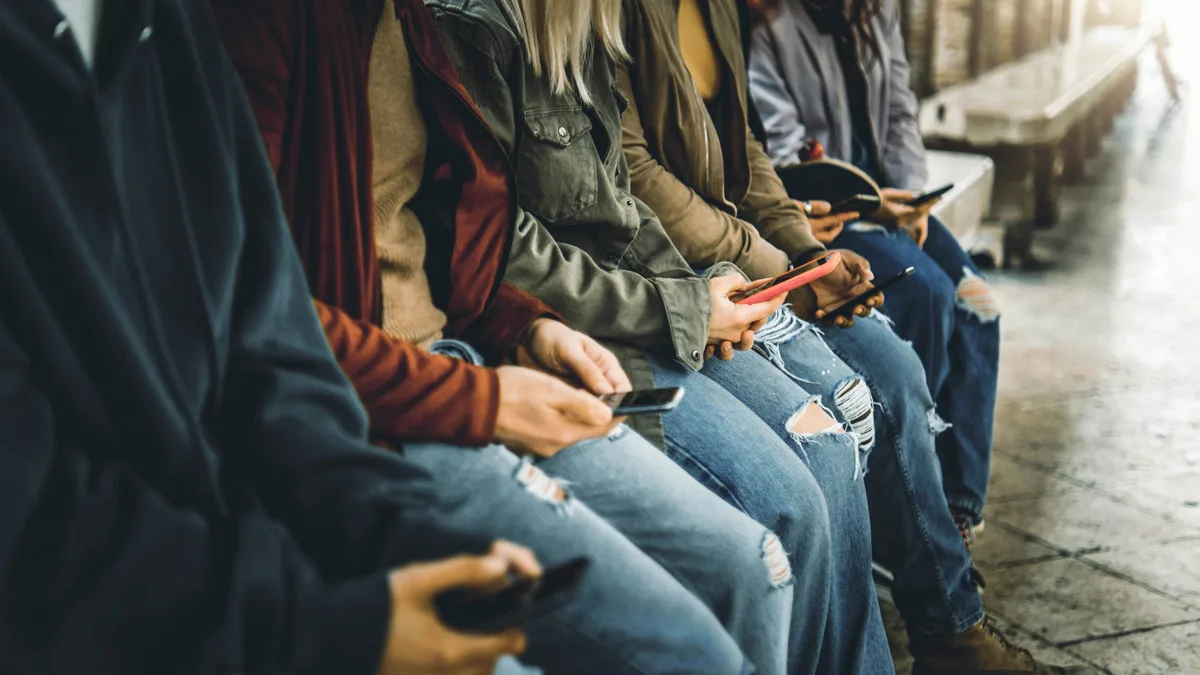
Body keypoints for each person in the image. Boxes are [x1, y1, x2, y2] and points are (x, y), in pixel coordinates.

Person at [209, 0, 799, 672]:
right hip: (385, 412)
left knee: (755, 564)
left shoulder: (412, 22)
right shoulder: (278, 23)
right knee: (699, 644)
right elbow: (252, 312)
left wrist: (524, 326)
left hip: (483, 361)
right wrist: (486, 395)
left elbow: (452, 230)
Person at [0, 1, 535, 673]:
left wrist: (395, 529)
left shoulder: (167, 23)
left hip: (277, 549)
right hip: (157, 616)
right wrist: (319, 623)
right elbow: (28, 533)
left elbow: (265, 331)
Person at [425, 0, 896, 672]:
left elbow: (624, 205)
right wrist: (692, 303)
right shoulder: (474, 27)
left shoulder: (584, 30)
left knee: (831, 441)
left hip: (657, 305)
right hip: (593, 338)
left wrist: (705, 301)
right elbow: (500, 248)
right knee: (786, 512)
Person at [616, 2, 1087, 674]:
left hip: (752, 255)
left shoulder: (726, 8)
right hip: (689, 268)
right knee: (839, 419)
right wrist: (780, 261)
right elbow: (636, 174)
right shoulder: (636, 15)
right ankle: (928, 593)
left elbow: (746, 148)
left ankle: (948, 620)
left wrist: (809, 253)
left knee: (897, 364)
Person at [746, 0, 1002, 543]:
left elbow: (900, 113)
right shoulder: (768, 20)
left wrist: (909, 200)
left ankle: (956, 499)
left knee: (979, 302)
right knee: (927, 291)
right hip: (834, 210)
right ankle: (909, 498)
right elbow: (787, 147)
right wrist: (872, 201)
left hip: (891, 203)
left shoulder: (875, 11)